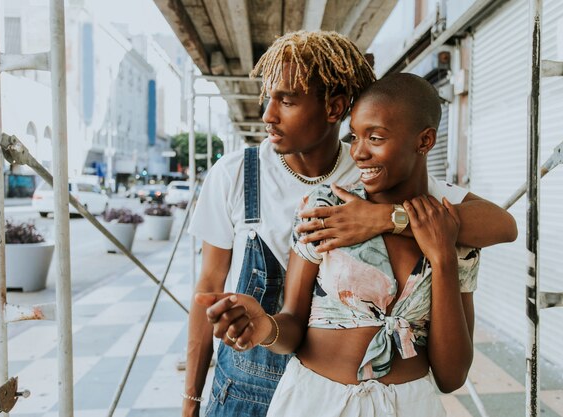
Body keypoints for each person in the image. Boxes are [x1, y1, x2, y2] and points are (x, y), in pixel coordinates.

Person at [183, 30, 516, 417]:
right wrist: (191, 400)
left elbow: (501, 225)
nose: (268, 115)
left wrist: (385, 218)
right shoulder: (239, 176)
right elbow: (209, 287)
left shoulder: (382, 175)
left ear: (335, 108)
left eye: (287, 101)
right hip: (258, 384)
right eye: (268, 98)